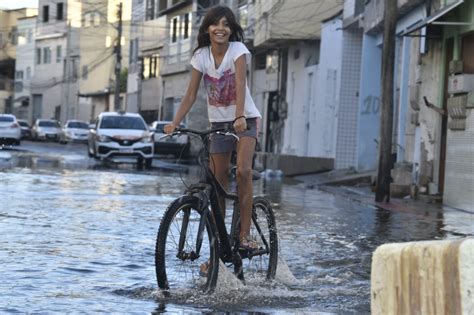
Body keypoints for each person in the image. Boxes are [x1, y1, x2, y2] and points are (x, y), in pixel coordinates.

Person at [164, 5, 261, 251]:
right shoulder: (201, 56)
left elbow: (241, 83)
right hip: (218, 124)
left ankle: (245, 235)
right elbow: (190, 95)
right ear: (207, 29)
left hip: (245, 120)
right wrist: (175, 122)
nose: (221, 29)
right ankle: (219, 248)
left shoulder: (237, 50)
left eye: (226, 24)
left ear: (231, 30)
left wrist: (239, 115)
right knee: (217, 183)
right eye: (215, 24)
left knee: (242, 173)